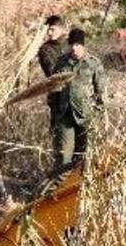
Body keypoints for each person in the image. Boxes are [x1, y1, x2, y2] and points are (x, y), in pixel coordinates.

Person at [54, 28, 105, 171]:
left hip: (85, 116)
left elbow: (100, 91)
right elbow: (53, 89)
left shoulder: (94, 63)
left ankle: (82, 182)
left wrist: (96, 113)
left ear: (83, 45)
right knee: (64, 156)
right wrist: (54, 115)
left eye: (77, 44)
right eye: (71, 44)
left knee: (86, 156)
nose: (74, 48)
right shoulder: (61, 62)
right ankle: (61, 183)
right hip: (65, 116)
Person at [38, 15, 68, 169]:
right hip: (58, 99)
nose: (49, 33)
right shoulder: (46, 49)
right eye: (47, 30)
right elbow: (54, 73)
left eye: (52, 29)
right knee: (61, 142)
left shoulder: (71, 45)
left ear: (62, 29)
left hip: (77, 98)